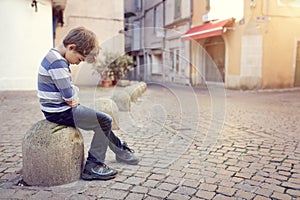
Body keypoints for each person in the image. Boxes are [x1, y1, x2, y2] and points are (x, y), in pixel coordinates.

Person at [37, 27, 139, 181]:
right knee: (105, 120)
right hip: (61, 112)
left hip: (58, 109)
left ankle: (120, 150)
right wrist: (74, 93)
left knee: (99, 120)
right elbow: (70, 97)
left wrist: (73, 93)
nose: (78, 64)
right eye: (79, 59)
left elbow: (69, 92)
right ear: (71, 47)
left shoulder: (54, 56)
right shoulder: (58, 62)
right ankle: (94, 165)